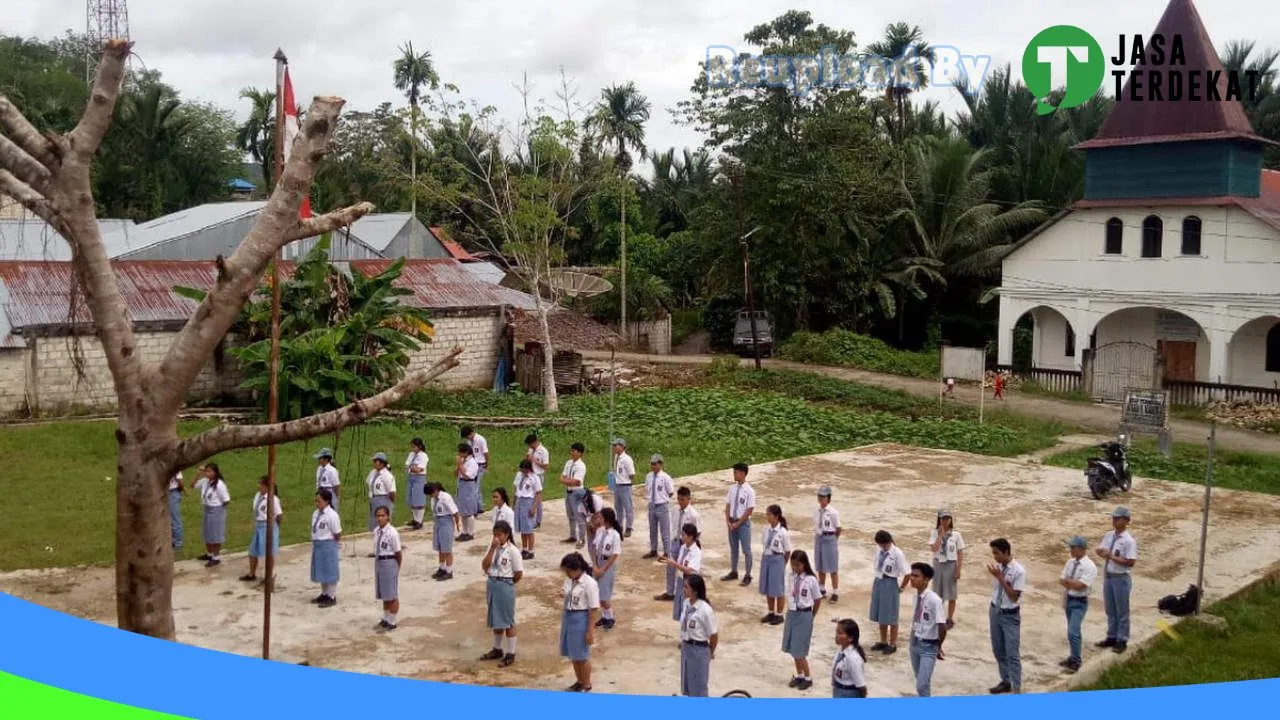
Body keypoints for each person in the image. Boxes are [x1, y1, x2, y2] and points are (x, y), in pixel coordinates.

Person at [481, 519, 524, 667]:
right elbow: (484, 565)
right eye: (494, 535)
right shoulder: (493, 547)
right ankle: (497, 648)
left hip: (505, 584)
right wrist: (492, 548)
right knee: (496, 618)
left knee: (507, 620)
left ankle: (511, 653)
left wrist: (508, 583)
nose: (496, 538)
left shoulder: (513, 551)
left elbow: (518, 573)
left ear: (506, 534)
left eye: (499, 535)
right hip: (492, 583)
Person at [1096, 506, 1138, 654]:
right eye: (1113, 518)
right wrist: (1102, 553)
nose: (1114, 521)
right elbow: (1100, 549)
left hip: (1120, 578)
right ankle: (1111, 636)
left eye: (1118, 518)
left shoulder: (1128, 541)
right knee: (1110, 608)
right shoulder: (1109, 536)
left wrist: (1111, 556)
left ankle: (1122, 639)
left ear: (1126, 521)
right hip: (1109, 575)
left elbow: (1130, 562)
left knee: (1122, 610)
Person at [987, 537, 1026, 694]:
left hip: (1010, 615)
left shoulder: (1019, 571)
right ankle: (1006, 680)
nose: (995, 557)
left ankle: (1017, 687)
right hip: (995, 610)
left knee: (1012, 653)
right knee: (998, 649)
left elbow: (1014, 596)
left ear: (1006, 552)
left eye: (997, 553)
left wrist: (1001, 578)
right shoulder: (998, 567)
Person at [558, 552, 600, 692]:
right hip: (569, 616)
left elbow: (593, 609)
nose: (567, 574)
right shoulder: (570, 580)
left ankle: (587, 684)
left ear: (576, 569)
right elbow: (566, 591)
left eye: (568, 571)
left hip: (581, 618)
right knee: (574, 654)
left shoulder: (589, 583)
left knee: (582, 655)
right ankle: (579, 680)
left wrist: (590, 631)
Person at [782, 549, 822, 690]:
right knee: (793, 648)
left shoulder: (811, 580)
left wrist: (811, 615)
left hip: (804, 615)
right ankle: (799, 675)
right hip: (792, 613)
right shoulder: (791, 576)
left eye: (798, 565)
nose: (795, 568)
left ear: (804, 564)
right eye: (793, 565)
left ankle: (808, 677)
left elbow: (817, 600)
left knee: (800, 651)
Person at [907, 562, 947, 697]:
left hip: (928, 646)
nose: (911, 578)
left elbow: (942, 625)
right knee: (922, 683)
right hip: (915, 643)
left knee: (921, 684)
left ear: (926, 580)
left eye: (916, 576)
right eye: (912, 575)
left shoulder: (934, 600)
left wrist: (938, 646)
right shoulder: (916, 597)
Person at [1059, 535, 1098, 673]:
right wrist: (1071, 583)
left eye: (1073, 547)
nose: (1071, 550)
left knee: (1072, 631)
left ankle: (1076, 660)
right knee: (1073, 631)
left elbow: (1081, 586)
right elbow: (1062, 579)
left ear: (1081, 549)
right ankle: (1073, 656)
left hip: (1079, 602)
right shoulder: (1070, 562)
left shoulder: (1089, 566)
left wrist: (1070, 583)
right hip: (1069, 599)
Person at [657, 486, 703, 601]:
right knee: (670, 566)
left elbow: (698, 532)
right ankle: (669, 592)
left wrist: (690, 545)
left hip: (687, 544)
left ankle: (689, 593)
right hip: (676, 542)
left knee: (687, 569)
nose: (680, 502)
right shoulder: (675, 510)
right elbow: (673, 527)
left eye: (682, 499)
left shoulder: (694, 515)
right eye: (679, 499)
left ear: (689, 499)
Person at [869, 530, 909, 655]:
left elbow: (907, 573)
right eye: (881, 545)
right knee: (881, 614)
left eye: (885, 545)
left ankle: (893, 643)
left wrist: (901, 588)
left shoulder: (897, 553)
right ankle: (883, 641)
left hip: (890, 582)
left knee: (891, 615)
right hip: (879, 581)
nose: (883, 547)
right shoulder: (879, 549)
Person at [678, 573, 718, 697]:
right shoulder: (686, 603)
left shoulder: (705, 610)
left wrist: (709, 652)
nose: (683, 589)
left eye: (686, 587)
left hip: (699, 650)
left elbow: (714, 635)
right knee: (688, 685)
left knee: (699, 687)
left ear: (694, 591)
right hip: (686, 648)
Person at [242, 476, 283, 583]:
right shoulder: (257, 496)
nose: (258, 486)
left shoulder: (273, 499)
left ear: (267, 486)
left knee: (269, 553)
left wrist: (274, 528)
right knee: (252, 551)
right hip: (259, 526)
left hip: (268, 526)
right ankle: (252, 574)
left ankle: (268, 576)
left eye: (261, 484)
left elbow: (279, 516)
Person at [929, 509, 965, 627]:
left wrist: (958, 569)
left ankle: (949, 618)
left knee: (951, 593)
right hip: (938, 564)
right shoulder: (934, 533)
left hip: (950, 565)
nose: (945, 521)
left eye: (947, 518)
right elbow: (934, 549)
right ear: (939, 519)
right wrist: (940, 535)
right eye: (943, 518)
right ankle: (938, 616)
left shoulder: (956, 535)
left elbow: (960, 553)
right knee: (937, 592)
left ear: (951, 520)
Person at [722, 462, 756, 586]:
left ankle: (748, 574)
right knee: (733, 549)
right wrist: (728, 521)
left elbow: (749, 510)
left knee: (746, 549)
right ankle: (734, 571)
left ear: (742, 473)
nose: (734, 474)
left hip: (742, 524)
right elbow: (728, 505)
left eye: (736, 472)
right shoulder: (732, 488)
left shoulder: (749, 491)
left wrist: (739, 523)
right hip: (732, 522)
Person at [759, 504, 793, 625]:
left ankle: (779, 614)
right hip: (767, 558)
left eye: (769, 514)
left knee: (778, 588)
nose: (767, 517)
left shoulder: (783, 532)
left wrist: (783, 563)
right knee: (768, 587)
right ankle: (771, 612)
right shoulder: (766, 530)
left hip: (777, 559)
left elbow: (788, 550)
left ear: (776, 516)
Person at [592, 507, 624, 630]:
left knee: (604, 595)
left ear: (606, 519)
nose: (598, 519)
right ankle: (605, 616)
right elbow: (595, 547)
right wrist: (595, 565)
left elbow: (614, 554)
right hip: (598, 563)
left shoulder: (614, 535)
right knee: (598, 593)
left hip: (607, 565)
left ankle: (610, 617)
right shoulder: (600, 531)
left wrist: (603, 569)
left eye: (601, 517)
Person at [193, 463, 230, 567]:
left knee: (215, 534)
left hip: (216, 510)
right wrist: (198, 474)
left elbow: (226, 500)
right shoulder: (205, 482)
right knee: (207, 532)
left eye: (210, 471)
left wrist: (218, 510)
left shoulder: (219, 485)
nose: (207, 473)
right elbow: (192, 485)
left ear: (215, 473)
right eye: (206, 471)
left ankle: (216, 557)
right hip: (206, 508)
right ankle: (209, 554)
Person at [310, 489, 342, 607]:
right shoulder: (316, 513)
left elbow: (337, 532)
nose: (317, 503)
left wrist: (334, 544)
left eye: (319, 501)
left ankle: (331, 596)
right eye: (316, 501)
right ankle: (324, 593)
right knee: (321, 570)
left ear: (327, 501)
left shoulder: (332, 515)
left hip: (328, 544)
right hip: (318, 545)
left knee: (330, 570)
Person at [372, 505, 402, 632]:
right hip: (380, 562)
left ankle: (392, 620)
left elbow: (398, 553)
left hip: (389, 562)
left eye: (382, 515)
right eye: (378, 516)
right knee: (384, 593)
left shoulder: (392, 533)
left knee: (391, 594)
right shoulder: (376, 531)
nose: (380, 518)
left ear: (388, 516)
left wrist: (396, 568)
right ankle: (385, 618)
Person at [665, 523, 703, 620]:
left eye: (683, 535)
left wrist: (674, 564)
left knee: (688, 611)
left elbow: (689, 571)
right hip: (681, 581)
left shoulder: (696, 552)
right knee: (680, 609)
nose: (681, 537)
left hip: (690, 584)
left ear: (690, 537)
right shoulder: (683, 547)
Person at [642, 454, 674, 560]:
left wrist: (662, 499)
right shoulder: (649, 476)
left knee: (665, 531)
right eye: (651, 464)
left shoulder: (665, 477)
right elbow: (647, 489)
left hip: (662, 506)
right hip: (652, 505)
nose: (653, 466)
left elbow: (670, 492)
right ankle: (653, 550)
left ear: (660, 464)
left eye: (655, 464)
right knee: (652, 529)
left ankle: (667, 552)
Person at [427, 482, 461, 580]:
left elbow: (455, 512)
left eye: (431, 494)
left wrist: (457, 524)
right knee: (440, 547)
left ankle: (449, 571)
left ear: (436, 490)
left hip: (446, 522)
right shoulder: (434, 499)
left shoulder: (445, 497)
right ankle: (442, 568)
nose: (430, 496)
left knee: (447, 548)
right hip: (438, 521)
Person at [813, 486, 842, 601]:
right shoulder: (816, 510)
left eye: (823, 497)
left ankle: (835, 591)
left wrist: (833, 539)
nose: (821, 499)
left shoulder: (833, 512)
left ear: (828, 499)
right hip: (819, 538)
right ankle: (822, 588)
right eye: (819, 496)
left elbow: (838, 528)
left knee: (832, 567)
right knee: (820, 565)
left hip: (829, 538)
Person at [513, 459, 543, 559]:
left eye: (524, 470)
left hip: (528, 501)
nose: (523, 472)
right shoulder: (519, 475)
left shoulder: (535, 478)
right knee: (522, 528)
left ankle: (531, 550)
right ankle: (524, 548)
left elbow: (538, 493)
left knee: (529, 528)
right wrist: (514, 503)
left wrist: (534, 507)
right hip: (520, 501)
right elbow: (516, 489)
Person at [831, 618, 868, 698]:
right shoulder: (841, 649)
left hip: (848, 693)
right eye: (836, 632)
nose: (836, 635)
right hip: (838, 690)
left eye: (840, 633)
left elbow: (861, 685)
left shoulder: (853, 658)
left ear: (850, 638)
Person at [561, 443, 588, 547]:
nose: (572, 453)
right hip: (568, 491)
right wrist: (567, 481)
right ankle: (573, 535)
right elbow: (562, 477)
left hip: (576, 492)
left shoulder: (581, 466)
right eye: (571, 451)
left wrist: (565, 481)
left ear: (580, 453)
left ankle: (582, 539)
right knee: (570, 515)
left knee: (579, 516)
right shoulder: (568, 463)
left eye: (574, 451)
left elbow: (577, 482)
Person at [455, 442, 482, 542]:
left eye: (460, 452)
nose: (459, 454)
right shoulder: (464, 461)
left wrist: (460, 465)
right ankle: (464, 532)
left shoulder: (472, 463)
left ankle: (470, 532)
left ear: (466, 452)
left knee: (469, 510)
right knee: (463, 510)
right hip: (461, 484)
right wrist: (458, 466)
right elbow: (456, 473)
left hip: (469, 485)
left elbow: (468, 476)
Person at [611, 438, 637, 537]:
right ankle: (619, 525)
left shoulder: (627, 459)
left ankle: (629, 527)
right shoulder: (616, 457)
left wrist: (624, 479)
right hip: (617, 485)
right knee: (618, 507)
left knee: (628, 507)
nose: (614, 447)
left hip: (625, 485)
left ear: (621, 446)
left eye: (615, 445)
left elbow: (632, 474)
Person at [365, 453, 396, 532]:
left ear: (381, 463)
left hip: (383, 498)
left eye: (376, 461)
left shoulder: (386, 475)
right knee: (374, 519)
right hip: (374, 498)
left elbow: (391, 491)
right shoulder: (373, 472)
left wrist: (391, 502)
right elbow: (368, 482)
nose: (374, 463)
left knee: (382, 519)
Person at [525, 434, 550, 529]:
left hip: (538, 475)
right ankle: (531, 518)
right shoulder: (531, 450)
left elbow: (546, 466)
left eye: (530, 445)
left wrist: (535, 461)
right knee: (530, 497)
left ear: (534, 442)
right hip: (530, 475)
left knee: (537, 498)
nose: (529, 447)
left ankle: (538, 521)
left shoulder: (543, 451)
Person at [405, 438, 428, 530]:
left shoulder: (423, 456)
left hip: (419, 478)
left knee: (419, 499)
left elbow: (419, 469)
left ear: (419, 446)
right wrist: (412, 468)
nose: (412, 448)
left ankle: (419, 520)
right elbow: (407, 466)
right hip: (411, 477)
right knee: (412, 499)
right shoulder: (411, 454)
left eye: (414, 446)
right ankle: (415, 519)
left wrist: (412, 468)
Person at [314, 448, 341, 512]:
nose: (318, 460)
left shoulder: (332, 470)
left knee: (330, 511)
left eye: (320, 458)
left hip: (329, 493)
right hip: (320, 492)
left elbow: (337, 485)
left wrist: (336, 498)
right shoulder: (319, 469)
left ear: (326, 459)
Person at [168, 470, 185, 551]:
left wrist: (179, 490)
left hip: (173, 493)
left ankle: (178, 543)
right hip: (167, 493)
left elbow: (180, 482)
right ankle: (171, 540)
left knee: (175, 519)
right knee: (169, 519)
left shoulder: (175, 468)